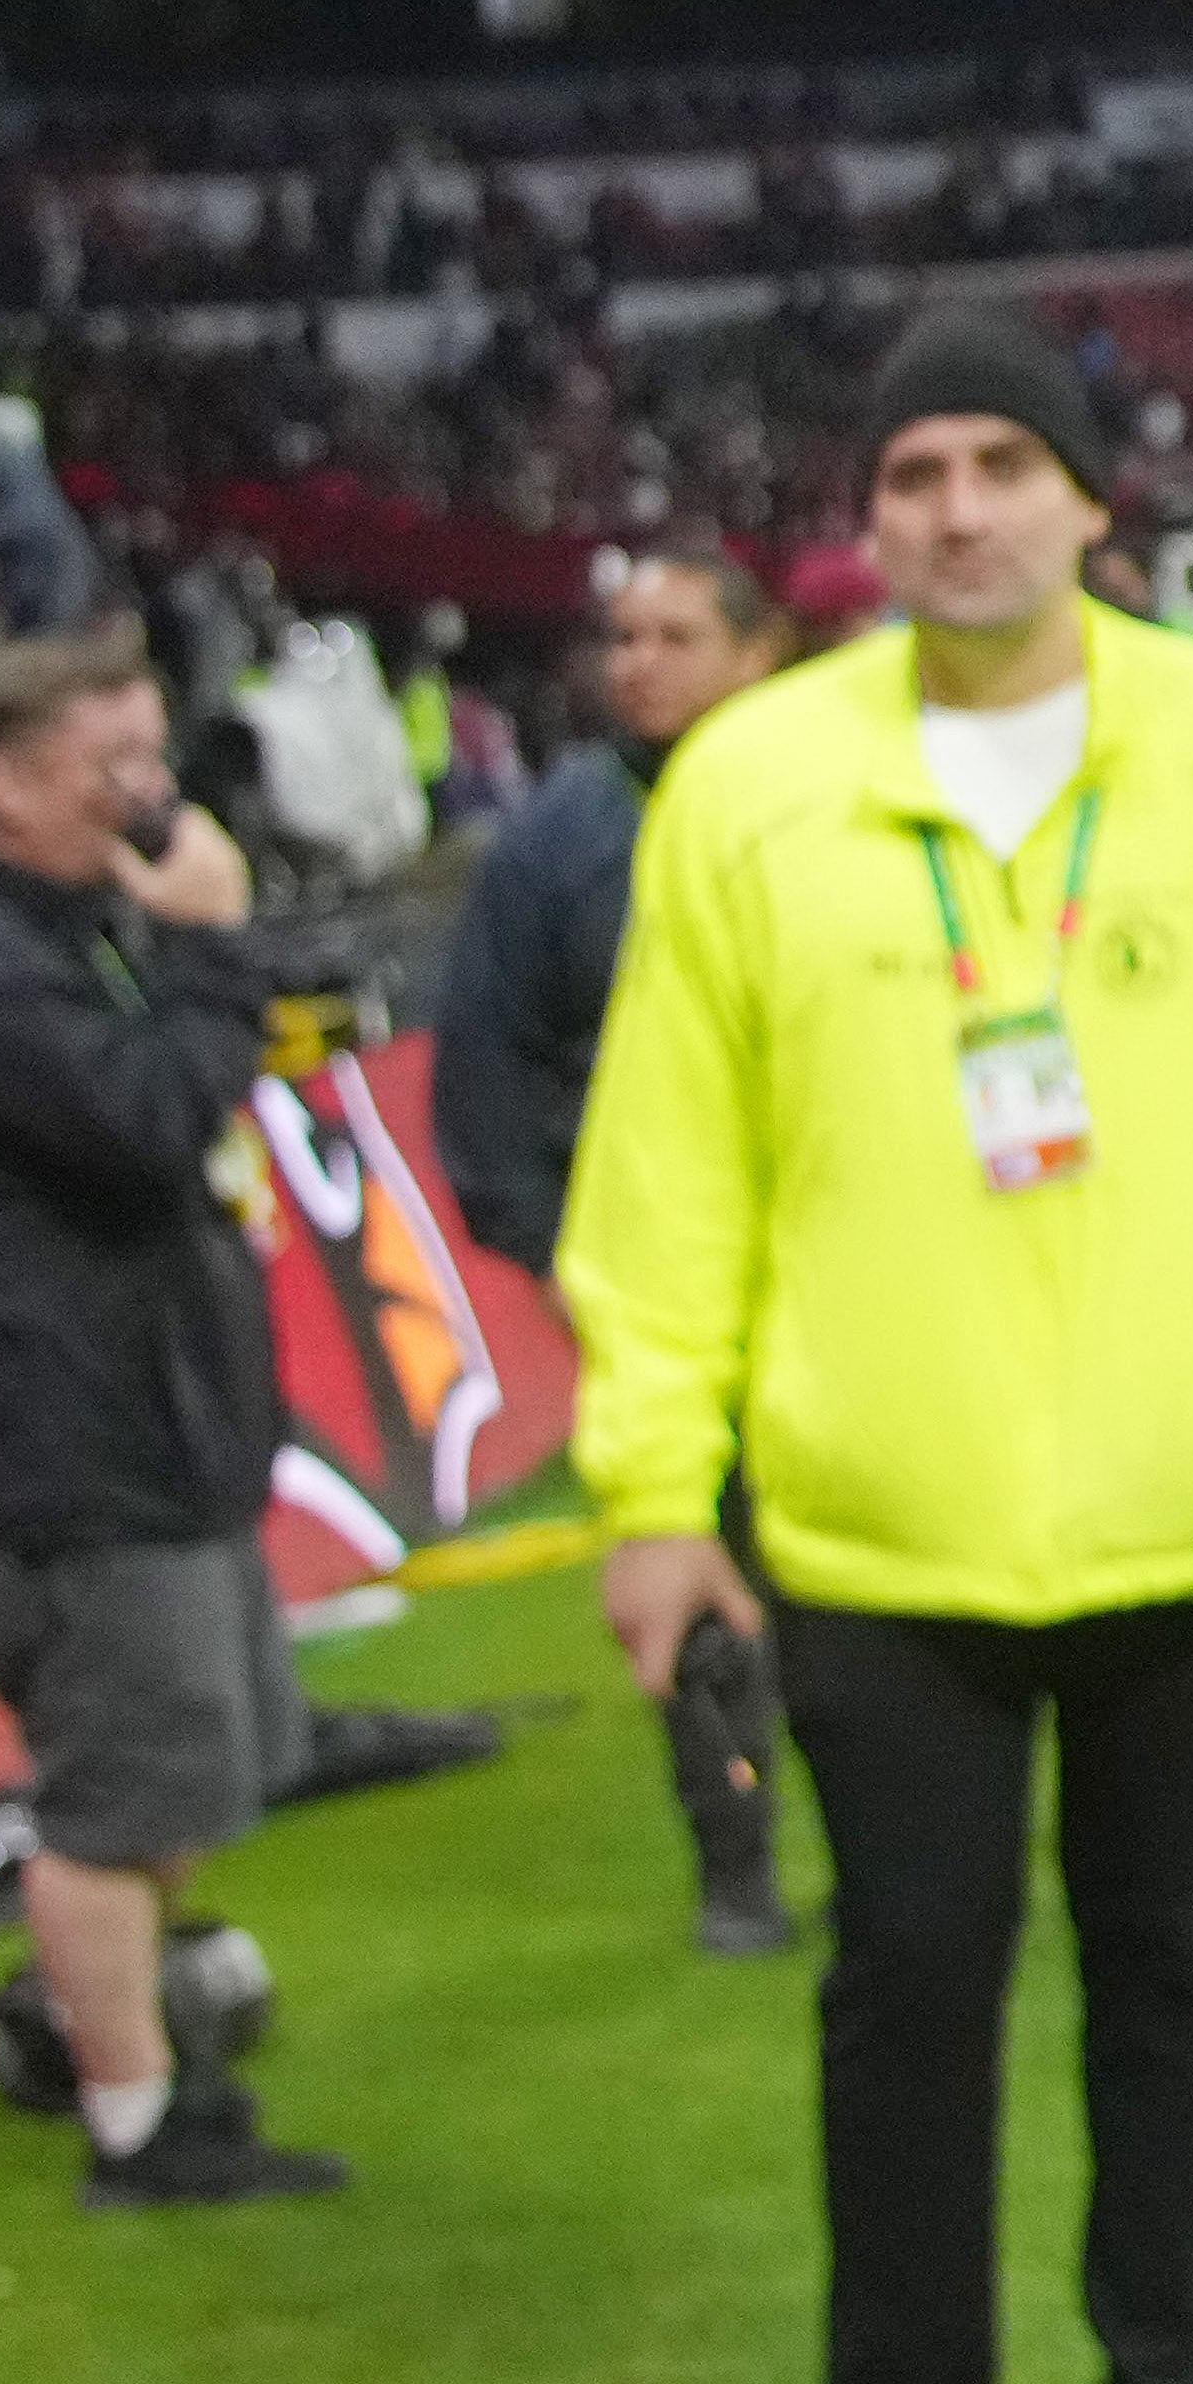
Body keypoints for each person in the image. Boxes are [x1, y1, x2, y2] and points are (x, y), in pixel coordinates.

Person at [567, 306, 1193, 2384]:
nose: (956, 505)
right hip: (883, 1526)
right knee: (910, 1996)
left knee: (1180, 1984)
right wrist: (655, 1486)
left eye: (998, 460)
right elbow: (667, 1174)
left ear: (1089, 496)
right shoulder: (753, 787)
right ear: (864, 520)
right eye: (913, 471)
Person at [0, 623, 351, 2207]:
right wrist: (212, 949)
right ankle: (135, 2125)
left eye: (148, 753)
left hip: (143, 1429)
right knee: (118, 1800)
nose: (147, 792)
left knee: (195, 1775)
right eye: (108, 764)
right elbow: (142, 1116)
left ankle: (87, 2024)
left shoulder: (45, 927)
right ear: (2, 781)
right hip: (66, 1452)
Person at [435, 536, 800, 1953]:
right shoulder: (555, 844)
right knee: (697, 1555)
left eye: (673, 636)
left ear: (758, 651)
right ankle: (736, 1857)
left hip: (843, 1247)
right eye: (623, 638)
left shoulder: (828, 797)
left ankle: (914, 1826)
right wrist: (544, 1249)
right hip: (665, 1265)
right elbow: (486, 1061)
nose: (636, 664)